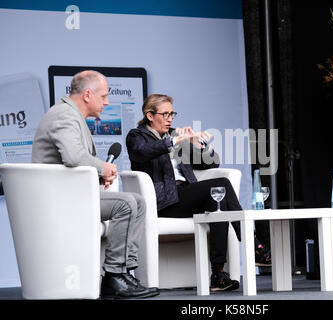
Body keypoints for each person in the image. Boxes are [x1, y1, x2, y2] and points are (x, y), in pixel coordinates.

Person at [32, 70, 159, 299]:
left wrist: (98, 176)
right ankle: (113, 276)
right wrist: (103, 167)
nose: (107, 102)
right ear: (88, 95)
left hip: (70, 194)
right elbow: (74, 157)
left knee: (137, 202)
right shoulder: (65, 115)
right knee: (127, 204)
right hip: (60, 201)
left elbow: (69, 163)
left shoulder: (71, 115)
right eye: (104, 96)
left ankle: (124, 272)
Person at [126, 94, 271, 291]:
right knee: (221, 184)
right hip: (163, 202)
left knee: (217, 203)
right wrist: (175, 141)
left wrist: (200, 145)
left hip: (185, 195)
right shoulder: (137, 136)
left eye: (172, 114)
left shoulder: (175, 135)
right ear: (150, 115)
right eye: (165, 114)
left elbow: (211, 163)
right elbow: (142, 152)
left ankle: (218, 273)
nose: (170, 119)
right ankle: (253, 246)